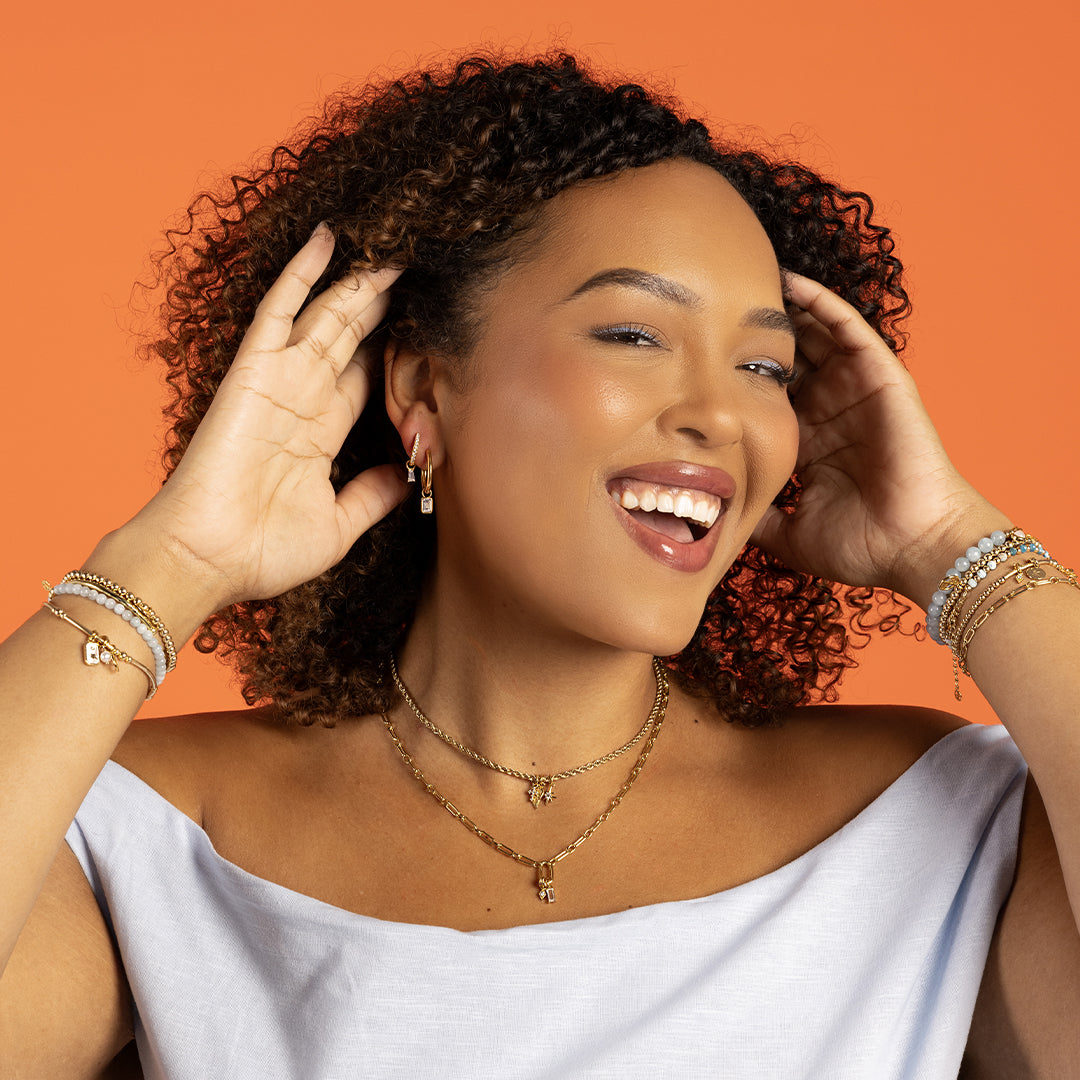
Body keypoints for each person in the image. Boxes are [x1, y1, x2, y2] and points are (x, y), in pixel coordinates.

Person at [1, 51, 1077, 1079]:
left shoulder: (928, 826)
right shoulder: (150, 838)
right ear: (423, 389)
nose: (718, 413)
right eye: (634, 335)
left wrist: (957, 554)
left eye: (764, 365)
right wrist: (169, 565)